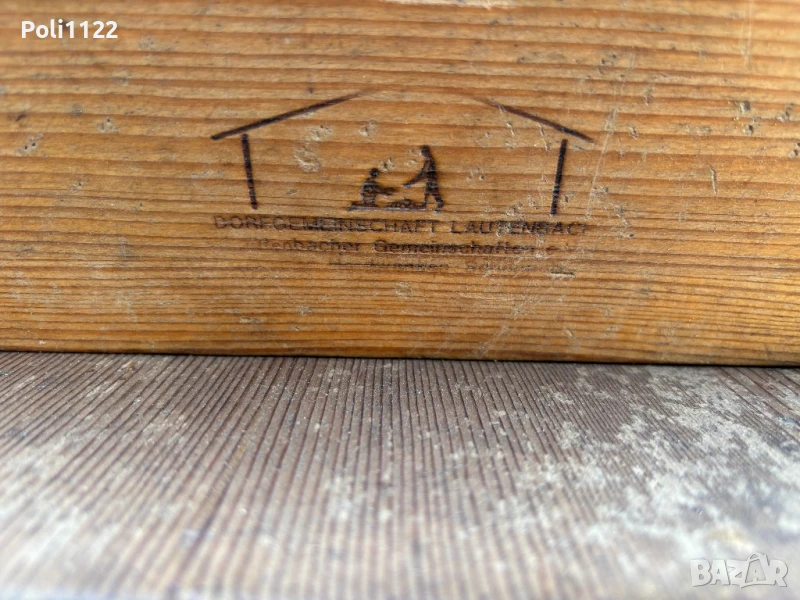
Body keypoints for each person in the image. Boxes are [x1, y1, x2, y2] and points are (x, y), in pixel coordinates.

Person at [402, 145, 443, 212]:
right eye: (422, 153)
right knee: (429, 192)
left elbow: (423, 175)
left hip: (431, 180)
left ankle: (435, 204)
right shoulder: (428, 162)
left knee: (432, 192)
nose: (422, 154)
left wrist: (411, 183)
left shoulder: (429, 162)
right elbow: (421, 174)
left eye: (423, 153)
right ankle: (425, 204)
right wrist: (411, 183)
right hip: (430, 180)